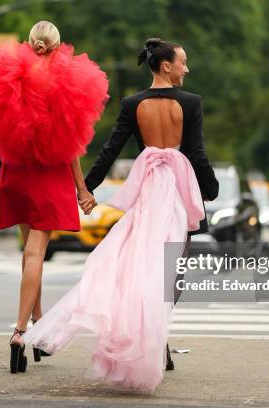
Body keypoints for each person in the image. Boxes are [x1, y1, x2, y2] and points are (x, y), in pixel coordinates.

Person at [23, 38, 219, 392]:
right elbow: (197, 153)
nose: (186, 68)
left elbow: (110, 148)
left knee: (140, 263)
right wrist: (210, 188)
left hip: (147, 192)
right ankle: (157, 341)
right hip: (175, 194)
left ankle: (153, 341)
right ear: (165, 66)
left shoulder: (133, 104)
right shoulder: (191, 103)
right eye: (183, 62)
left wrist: (87, 189)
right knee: (169, 272)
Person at [0, 21, 109, 374]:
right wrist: (82, 189)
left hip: (15, 174)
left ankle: (40, 325)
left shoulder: (10, 75)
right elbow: (72, 145)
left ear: (31, 43)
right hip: (47, 176)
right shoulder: (64, 81)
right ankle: (19, 333)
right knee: (35, 254)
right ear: (58, 46)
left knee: (30, 255)